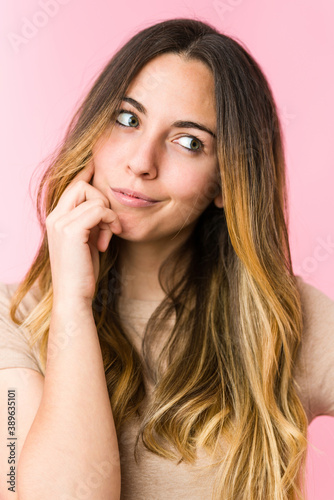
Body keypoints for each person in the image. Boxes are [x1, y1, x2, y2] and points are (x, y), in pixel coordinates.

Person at [0, 17, 333, 500]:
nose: (141, 162)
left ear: (224, 181)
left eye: (189, 142)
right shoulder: (15, 320)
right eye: (128, 119)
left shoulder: (284, 318)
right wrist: (72, 301)